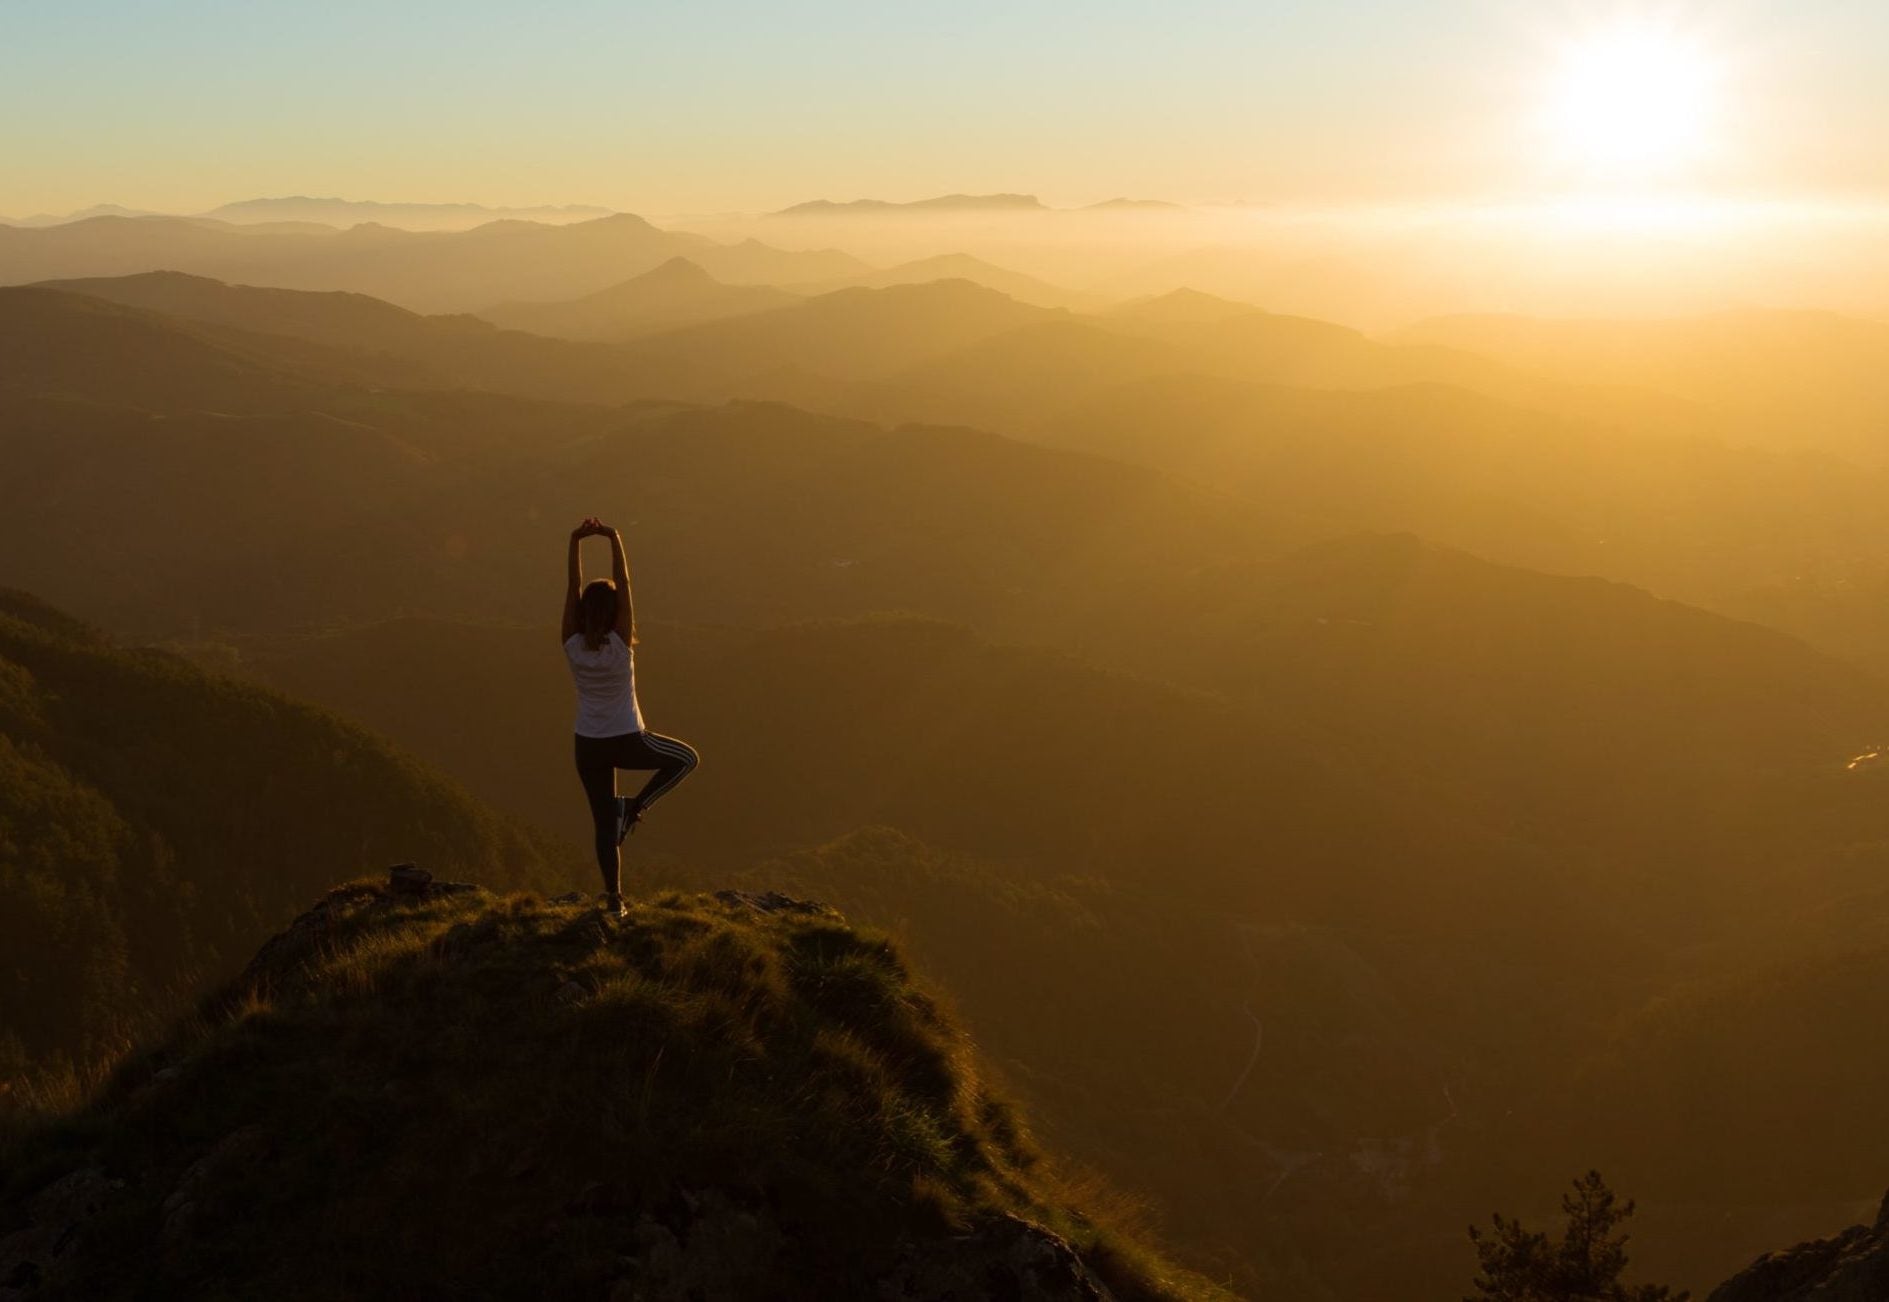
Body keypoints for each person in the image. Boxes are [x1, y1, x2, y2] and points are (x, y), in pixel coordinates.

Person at [562, 517, 698, 916]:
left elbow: (572, 587)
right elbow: (627, 584)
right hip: (626, 738)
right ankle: (636, 808)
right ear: (616, 610)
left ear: (584, 610)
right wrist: (613, 538)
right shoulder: (621, 644)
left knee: (603, 826)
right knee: (687, 759)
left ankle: (614, 900)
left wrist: (575, 541)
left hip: (587, 745)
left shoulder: (570, 643)